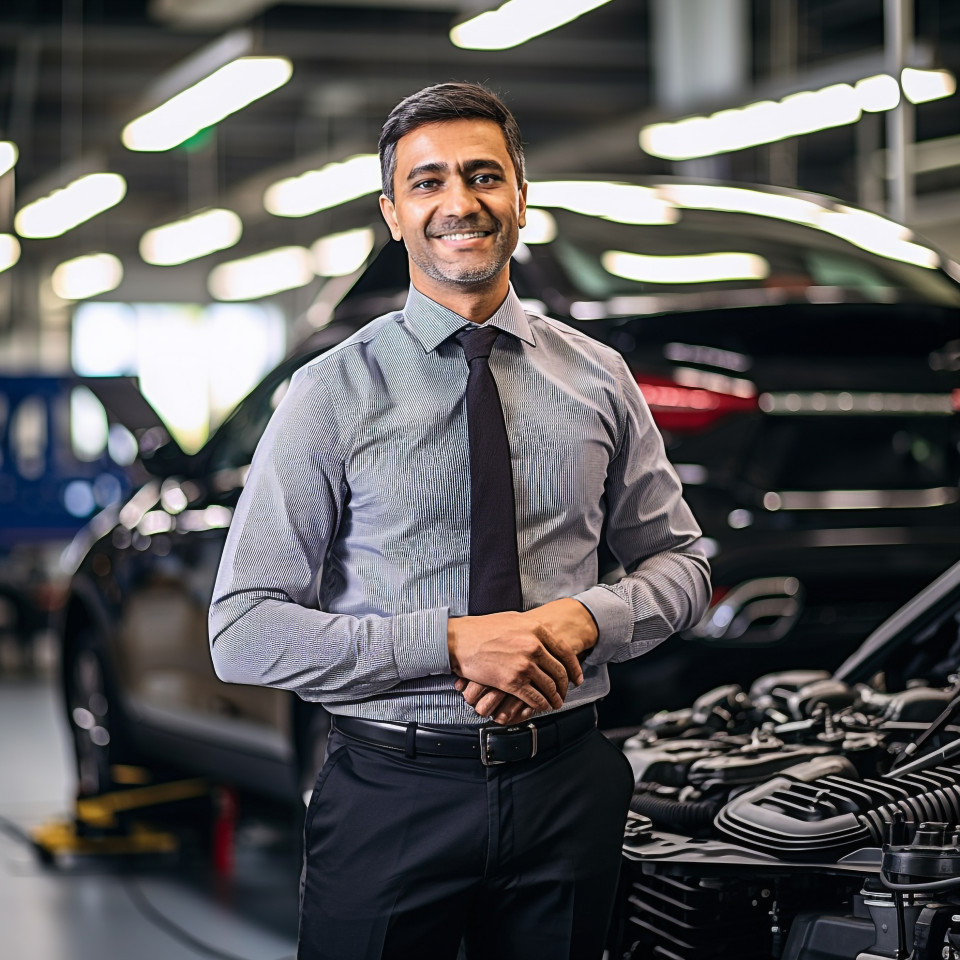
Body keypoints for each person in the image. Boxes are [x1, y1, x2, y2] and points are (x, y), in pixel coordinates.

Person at [209, 81, 711, 960]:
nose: (459, 203)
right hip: (391, 791)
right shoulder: (330, 393)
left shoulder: (598, 379)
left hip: (567, 787)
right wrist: (447, 644)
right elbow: (243, 630)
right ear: (394, 214)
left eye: (484, 176)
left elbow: (682, 563)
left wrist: (588, 616)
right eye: (428, 182)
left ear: (520, 196)